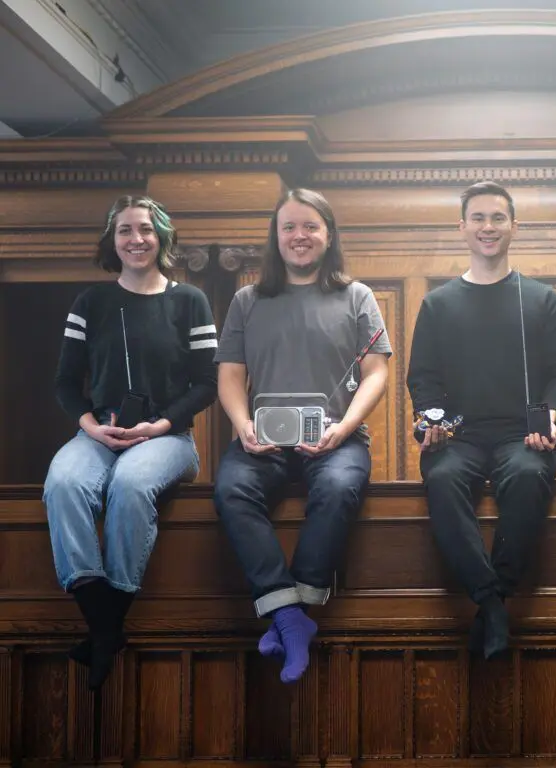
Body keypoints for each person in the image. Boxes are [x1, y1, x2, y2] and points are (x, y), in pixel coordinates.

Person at [213, 188, 391, 683]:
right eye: (289, 226)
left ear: (328, 234)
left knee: (338, 487)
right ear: (276, 236)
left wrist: (345, 427)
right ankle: (292, 618)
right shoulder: (247, 301)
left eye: (310, 226)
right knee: (231, 490)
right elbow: (230, 375)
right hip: (263, 440)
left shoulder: (357, 296)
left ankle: (292, 612)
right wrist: (243, 426)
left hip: (336, 439)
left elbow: (376, 372)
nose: (299, 235)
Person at [43, 195, 217, 690]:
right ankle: (103, 620)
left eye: (145, 229)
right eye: (125, 230)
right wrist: (90, 426)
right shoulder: (89, 303)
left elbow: (207, 383)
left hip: (169, 437)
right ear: (112, 240)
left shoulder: (190, 300)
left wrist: (158, 427)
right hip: (99, 431)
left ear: (162, 236)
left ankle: (107, 620)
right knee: (63, 482)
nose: (136, 239)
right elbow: (65, 382)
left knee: (131, 483)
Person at [407, 181, 556, 660]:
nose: (488, 226)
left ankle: (492, 597)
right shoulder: (438, 304)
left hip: (523, 435)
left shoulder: (543, 299)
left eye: (498, 218)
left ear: (514, 227)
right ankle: (492, 601)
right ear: (462, 227)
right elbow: (422, 377)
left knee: (527, 476)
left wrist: (551, 418)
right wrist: (429, 419)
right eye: (478, 218)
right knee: (442, 479)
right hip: (457, 436)